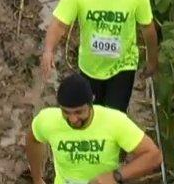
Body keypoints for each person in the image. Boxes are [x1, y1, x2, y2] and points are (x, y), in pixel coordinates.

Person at [41, 0, 159, 111]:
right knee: (92, 115)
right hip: (90, 67)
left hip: (123, 65)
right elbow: (59, 24)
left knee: (115, 118)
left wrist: (152, 60)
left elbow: (147, 28)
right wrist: (48, 50)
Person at [26, 74, 163, 184]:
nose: (73, 119)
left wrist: (116, 176)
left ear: (91, 103)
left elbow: (154, 155)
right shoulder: (48, 120)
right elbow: (33, 139)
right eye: (66, 112)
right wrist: (37, 179)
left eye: (79, 112)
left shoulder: (114, 121)